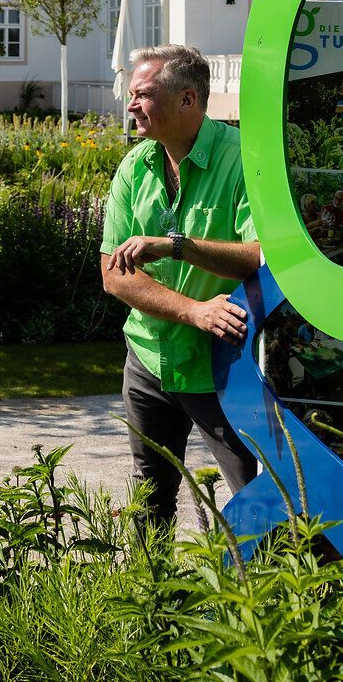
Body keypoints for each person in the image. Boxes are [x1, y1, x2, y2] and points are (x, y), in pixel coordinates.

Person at [102, 44, 266, 530]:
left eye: (143, 94)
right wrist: (194, 311)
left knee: (255, 497)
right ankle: (155, 600)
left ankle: (265, 601)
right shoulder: (136, 167)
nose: (131, 105)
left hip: (223, 367)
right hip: (150, 359)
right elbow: (114, 274)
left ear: (188, 100)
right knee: (149, 499)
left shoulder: (240, 162)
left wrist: (179, 246)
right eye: (132, 94)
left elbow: (261, 254)